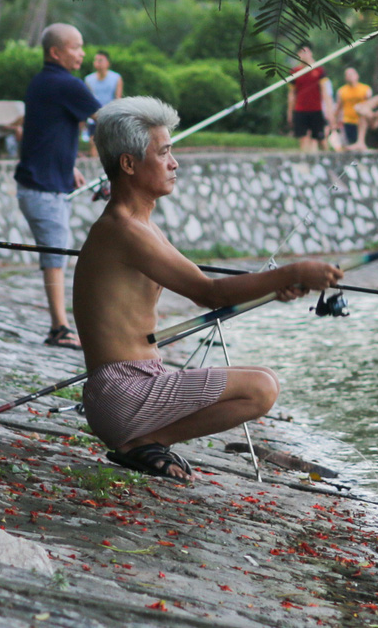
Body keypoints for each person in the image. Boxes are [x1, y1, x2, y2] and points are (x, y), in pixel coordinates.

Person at [74, 96, 342, 481]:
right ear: (129, 164)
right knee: (261, 388)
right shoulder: (126, 230)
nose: (174, 163)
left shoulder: (139, 226)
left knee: (264, 376)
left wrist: (280, 283)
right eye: (163, 152)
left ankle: (144, 440)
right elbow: (210, 293)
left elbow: (209, 288)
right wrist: (294, 270)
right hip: (123, 393)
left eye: (172, 151)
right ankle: (141, 442)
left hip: (132, 387)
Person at [14, 23, 102, 348]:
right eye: (76, 47)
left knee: (56, 256)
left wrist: (70, 168)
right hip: (43, 191)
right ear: (56, 52)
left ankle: (59, 326)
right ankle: (59, 329)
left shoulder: (43, 82)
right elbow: (108, 119)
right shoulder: (67, 84)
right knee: (55, 259)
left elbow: (47, 135)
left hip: (43, 185)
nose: (82, 53)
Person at [285, 45, 330, 152]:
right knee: (303, 138)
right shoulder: (294, 72)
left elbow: (325, 92)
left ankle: (329, 159)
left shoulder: (319, 70)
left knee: (321, 139)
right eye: (302, 52)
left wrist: (329, 110)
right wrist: (290, 112)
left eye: (307, 52)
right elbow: (291, 94)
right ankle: (305, 162)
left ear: (311, 54)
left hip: (316, 110)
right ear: (298, 55)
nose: (305, 55)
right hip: (300, 110)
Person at [333, 66, 371, 149]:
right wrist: (335, 122)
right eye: (348, 75)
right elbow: (339, 107)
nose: (350, 76)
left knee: (363, 143)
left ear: (357, 75)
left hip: (361, 121)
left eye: (352, 74)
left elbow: (370, 104)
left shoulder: (365, 89)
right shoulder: (341, 91)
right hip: (348, 121)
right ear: (345, 78)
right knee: (350, 144)